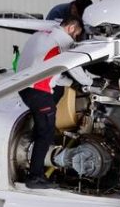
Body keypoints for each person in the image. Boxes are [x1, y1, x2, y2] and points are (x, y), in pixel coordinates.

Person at [17, 16, 85, 189]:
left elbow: (47, 68)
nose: (75, 38)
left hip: (24, 86)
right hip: (39, 92)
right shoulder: (63, 41)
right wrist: (90, 83)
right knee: (46, 134)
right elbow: (74, 66)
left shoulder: (41, 34)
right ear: (71, 28)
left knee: (42, 128)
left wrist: (71, 83)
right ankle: (35, 177)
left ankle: (30, 162)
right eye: (77, 34)